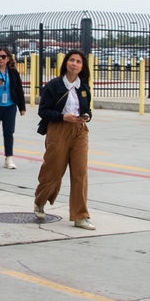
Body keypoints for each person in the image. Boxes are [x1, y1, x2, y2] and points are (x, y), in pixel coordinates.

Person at [33, 50, 95, 230]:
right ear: (66, 63)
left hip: (79, 130)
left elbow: (88, 109)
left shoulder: (83, 87)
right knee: (53, 169)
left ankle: (80, 216)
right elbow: (43, 111)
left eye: (78, 62)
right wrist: (62, 117)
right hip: (58, 129)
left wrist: (87, 116)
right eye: (72, 60)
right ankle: (40, 200)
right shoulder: (54, 85)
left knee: (80, 173)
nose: (74, 64)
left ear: (82, 67)